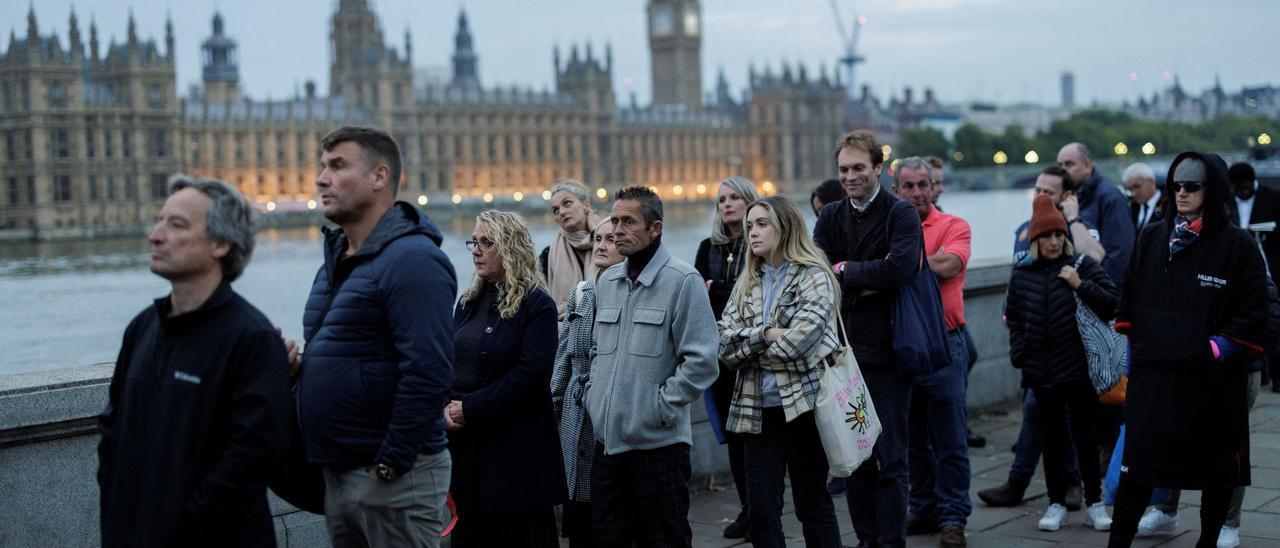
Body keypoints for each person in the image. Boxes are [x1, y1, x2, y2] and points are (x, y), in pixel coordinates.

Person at [97, 176, 290, 547]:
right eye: (159, 221)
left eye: (176, 225)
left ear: (220, 243)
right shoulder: (141, 329)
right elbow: (112, 436)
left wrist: (179, 526)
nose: (155, 235)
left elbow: (251, 459)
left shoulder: (251, 338)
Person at [296, 127, 456, 547]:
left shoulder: (413, 260)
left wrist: (388, 466)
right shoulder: (338, 261)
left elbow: (428, 372)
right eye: (322, 165)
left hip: (392, 477)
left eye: (338, 166)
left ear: (379, 177)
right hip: (342, 472)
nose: (320, 178)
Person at [1108, 152, 1269, 548]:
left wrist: (1215, 349)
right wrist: (1133, 358)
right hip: (1154, 380)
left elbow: (1256, 311)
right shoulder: (1152, 236)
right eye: (1176, 185)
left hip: (1210, 385)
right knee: (1137, 472)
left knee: (1216, 473)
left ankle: (1210, 540)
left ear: (1211, 190)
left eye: (1192, 186)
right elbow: (1129, 297)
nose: (1181, 193)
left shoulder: (1238, 245)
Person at [585, 185, 720, 547]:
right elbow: (598, 350)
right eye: (614, 220)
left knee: (664, 540)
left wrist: (657, 408)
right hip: (608, 444)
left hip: (657, 448)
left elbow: (702, 362)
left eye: (628, 222)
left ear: (655, 228)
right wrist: (592, 397)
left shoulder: (683, 281)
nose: (616, 230)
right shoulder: (607, 281)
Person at [813, 129, 921, 548]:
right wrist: (859, 274)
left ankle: (891, 543)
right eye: (844, 169)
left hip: (890, 355)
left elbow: (900, 269)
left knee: (891, 458)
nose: (850, 176)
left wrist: (845, 272)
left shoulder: (901, 214)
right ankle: (866, 540)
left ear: (879, 168)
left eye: (859, 167)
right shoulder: (830, 216)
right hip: (845, 359)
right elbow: (817, 271)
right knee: (854, 457)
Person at [718, 196, 844, 548]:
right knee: (761, 511)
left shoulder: (814, 276)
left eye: (762, 224)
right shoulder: (748, 280)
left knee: (812, 505)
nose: (752, 233)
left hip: (802, 408)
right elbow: (722, 344)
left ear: (785, 227)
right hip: (756, 409)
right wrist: (765, 335)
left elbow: (801, 346)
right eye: (749, 226)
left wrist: (749, 348)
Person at [981, 165, 1105, 510]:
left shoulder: (1076, 229)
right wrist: (1020, 348)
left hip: (1073, 358)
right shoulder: (1026, 230)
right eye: (1037, 189)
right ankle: (1050, 486)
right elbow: (1017, 287)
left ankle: (1060, 485)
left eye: (1048, 192)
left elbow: (1094, 259)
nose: (1039, 197)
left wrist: (1073, 219)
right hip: (1039, 356)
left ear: (1066, 197)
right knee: (1044, 421)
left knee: (1065, 425)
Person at [448, 210, 566, 546]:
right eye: (474, 241)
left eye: (487, 242)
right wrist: (444, 406)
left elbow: (531, 375)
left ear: (511, 248)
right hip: (469, 450)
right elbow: (452, 361)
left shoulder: (536, 305)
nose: (475, 249)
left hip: (516, 452)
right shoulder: (469, 301)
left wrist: (469, 407)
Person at [1005, 194, 1118, 533]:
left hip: (1078, 369)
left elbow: (1113, 303)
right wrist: (1020, 354)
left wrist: (1079, 285)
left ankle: (1095, 503)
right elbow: (1014, 318)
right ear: (1036, 239)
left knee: (1085, 438)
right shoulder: (1022, 273)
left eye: (1058, 235)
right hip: (1041, 371)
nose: (1054, 241)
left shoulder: (1081, 265)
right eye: (1046, 236)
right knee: (1052, 441)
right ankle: (1055, 503)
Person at [891, 157, 973, 547]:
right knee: (913, 440)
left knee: (950, 438)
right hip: (904, 347)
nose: (919, 192)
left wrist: (898, 265)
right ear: (896, 191)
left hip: (945, 343)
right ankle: (923, 509)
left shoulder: (954, 225)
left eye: (924, 184)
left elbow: (949, 263)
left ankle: (953, 516)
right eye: (910, 186)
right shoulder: (889, 226)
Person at [550, 216, 622, 548]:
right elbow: (564, 355)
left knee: (607, 515)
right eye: (599, 238)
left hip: (608, 414)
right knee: (578, 515)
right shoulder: (582, 293)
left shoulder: (627, 295)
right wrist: (552, 400)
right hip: (575, 418)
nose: (602, 245)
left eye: (611, 239)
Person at [693, 175, 759, 539]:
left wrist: (714, 288)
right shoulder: (709, 246)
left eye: (735, 197)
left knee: (758, 438)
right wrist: (722, 291)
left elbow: (750, 293)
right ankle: (749, 509)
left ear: (750, 202)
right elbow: (697, 294)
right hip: (721, 356)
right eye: (722, 200)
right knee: (733, 435)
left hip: (754, 354)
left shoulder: (761, 242)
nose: (727, 204)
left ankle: (764, 508)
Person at [1057, 142, 1135, 285]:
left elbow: (1120, 254)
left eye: (1069, 164)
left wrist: (1103, 293)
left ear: (1087, 166)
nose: (1063, 170)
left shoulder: (1110, 197)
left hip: (1101, 293)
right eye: (1060, 165)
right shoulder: (1069, 198)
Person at [540, 179, 598, 315]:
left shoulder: (611, 242)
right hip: (565, 329)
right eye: (555, 210)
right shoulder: (548, 255)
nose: (562, 212)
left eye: (567, 204)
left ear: (586, 204)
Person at [1226, 162, 1280, 283]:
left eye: (1246, 188)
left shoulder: (1274, 198)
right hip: (1235, 261)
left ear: (1253, 182)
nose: (1243, 193)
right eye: (1238, 189)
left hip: (1269, 260)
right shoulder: (1225, 201)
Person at [1123, 162, 1165, 232]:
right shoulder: (1131, 209)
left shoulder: (1169, 206)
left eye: (1137, 187)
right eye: (1130, 189)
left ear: (1151, 182)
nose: (1133, 193)